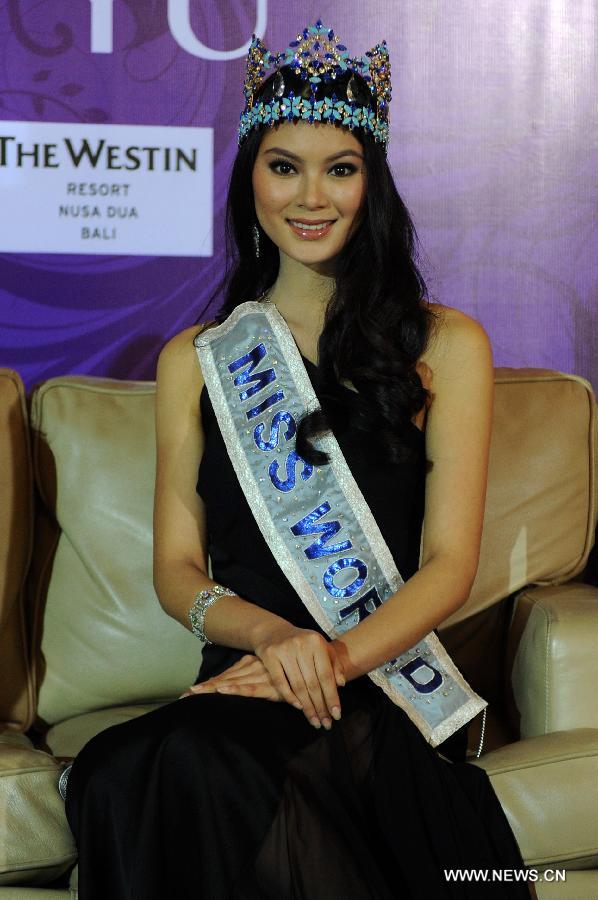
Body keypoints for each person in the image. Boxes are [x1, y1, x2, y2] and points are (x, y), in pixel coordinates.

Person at [65, 21, 537, 899]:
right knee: (118, 767)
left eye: (341, 168)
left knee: (205, 770)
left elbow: (449, 567)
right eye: (283, 165)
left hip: (372, 688)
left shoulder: (445, 346)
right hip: (245, 679)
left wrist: (329, 661)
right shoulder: (196, 359)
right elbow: (176, 571)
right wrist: (275, 639)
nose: (310, 195)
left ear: (372, 186)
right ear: (251, 181)